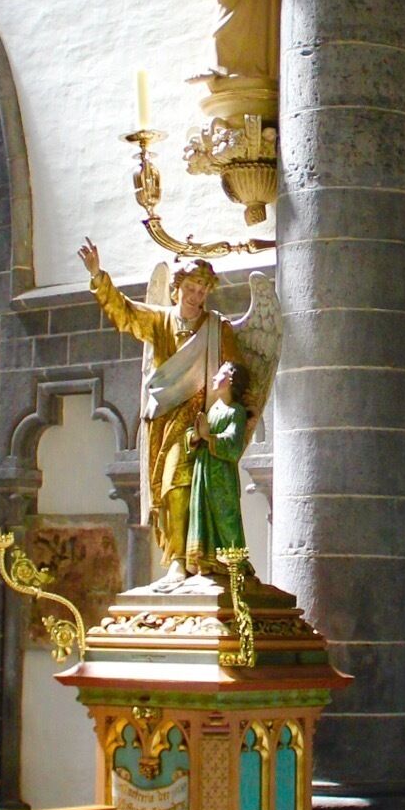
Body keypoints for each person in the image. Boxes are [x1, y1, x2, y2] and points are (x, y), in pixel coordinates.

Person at [80, 247, 247, 584]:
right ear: (177, 289)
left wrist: (232, 419)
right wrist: (98, 276)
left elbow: (237, 375)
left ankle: (197, 558)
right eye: (190, 289)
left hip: (202, 419)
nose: (196, 297)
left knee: (193, 485)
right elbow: (125, 313)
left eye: (202, 291)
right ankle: (177, 560)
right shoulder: (160, 321)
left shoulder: (218, 328)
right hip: (168, 418)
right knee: (171, 486)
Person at [185, 359, 251, 575]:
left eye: (220, 374)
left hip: (221, 475)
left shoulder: (236, 412)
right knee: (203, 512)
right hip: (204, 470)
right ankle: (208, 561)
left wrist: (208, 436)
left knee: (225, 516)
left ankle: (234, 564)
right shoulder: (213, 409)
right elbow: (197, 437)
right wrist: (195, 436)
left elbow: (233, 444)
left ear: (231, 380)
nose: (214, 377)